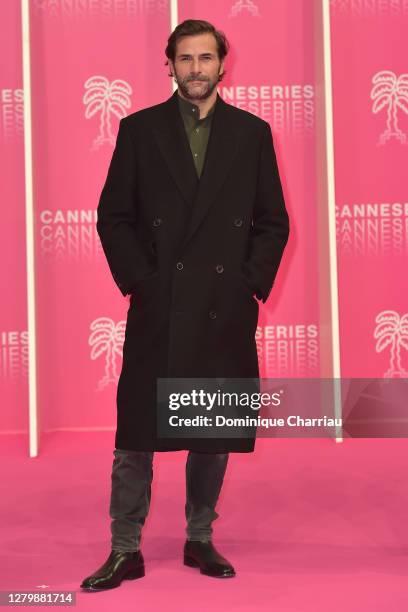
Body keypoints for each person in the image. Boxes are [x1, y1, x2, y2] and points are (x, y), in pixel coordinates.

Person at [81, 19, 289, 590]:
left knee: (211, 431)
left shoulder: (252, 134)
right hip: (160, 302)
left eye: (205, 58)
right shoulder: (139, 130)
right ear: (168, 64)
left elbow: (273, 221)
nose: (195, 69)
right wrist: (142, 281)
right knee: (136, 435)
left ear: (224, 62)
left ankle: (200, 538)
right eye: (185, 59)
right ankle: (125, 548)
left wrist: (246, 283)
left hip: (222, 305)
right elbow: (113, 217)